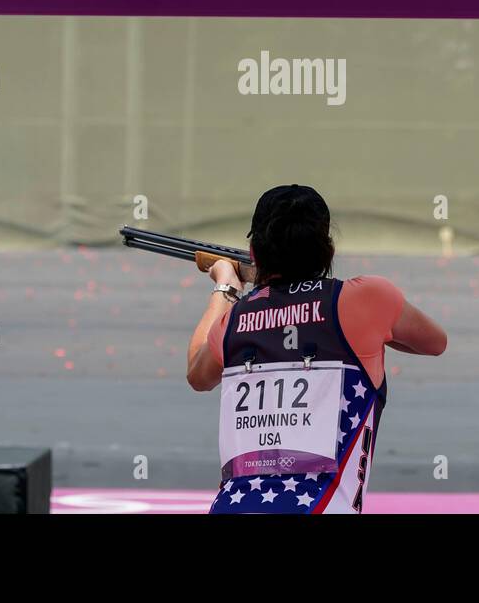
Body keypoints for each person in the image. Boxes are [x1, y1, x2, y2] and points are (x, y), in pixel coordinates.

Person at [186, 184, 447, 514]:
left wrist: (225, 288)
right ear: (329, 248)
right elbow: (435, 342)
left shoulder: (234, 319)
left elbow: (197, 373)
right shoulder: (368, 298)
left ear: (253, 252)